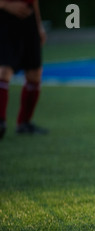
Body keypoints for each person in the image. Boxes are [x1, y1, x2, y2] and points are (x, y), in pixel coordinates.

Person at [0, 0, 47, 140]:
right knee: (4, 70)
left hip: (28, 17)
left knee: (34, 73)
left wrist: (39, 25)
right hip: (4, 17)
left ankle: (24, 123)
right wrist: (5, 5)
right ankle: (0, 121)